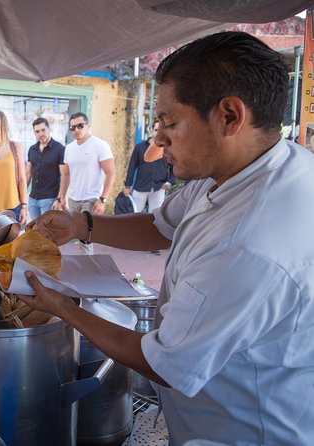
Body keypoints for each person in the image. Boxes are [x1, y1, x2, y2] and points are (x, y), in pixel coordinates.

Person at [20, 32, 314, 445]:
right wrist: (81, 224)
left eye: (170, 122)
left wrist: (62, 307)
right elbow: (160, 225)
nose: (157, 138)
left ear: (230, 116)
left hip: (243, 432)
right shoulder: (254, 166)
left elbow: (165, 365)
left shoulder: (249, 243)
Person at [60, 112, 115, 215]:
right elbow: (66, 174)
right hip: (73, 199)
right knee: (75, 230)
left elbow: (111, 173)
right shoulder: (69, 148)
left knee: (88, 230)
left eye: (80, 126)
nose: (76, 130)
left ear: (88, 126)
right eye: (72, 127)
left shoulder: (100, 145)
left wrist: (103, 199)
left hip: (91, 199)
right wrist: (61, 197)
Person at [123, 120, 174, 213]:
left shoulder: (167, 148)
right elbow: (132, 166)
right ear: (151, 130)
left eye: (161, 130)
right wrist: (127, 186)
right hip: (141, 187)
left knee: (155, 217)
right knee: (134, 214)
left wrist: (169, 182)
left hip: (159, 187)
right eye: (156, 129)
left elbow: (173, 166)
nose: (158, 132)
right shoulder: (139, 147)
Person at [26, 117, 67, 219]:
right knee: (35, 231)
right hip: (33, 199)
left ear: (49, 129)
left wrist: (59, 198)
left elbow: (64, 175)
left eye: (43, 130)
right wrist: (21, 196)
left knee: (48, 232)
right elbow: (28, 173)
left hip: (50, 199)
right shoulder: (32, 149)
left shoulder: (60, 149)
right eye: (37, 131)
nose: (41, 134)